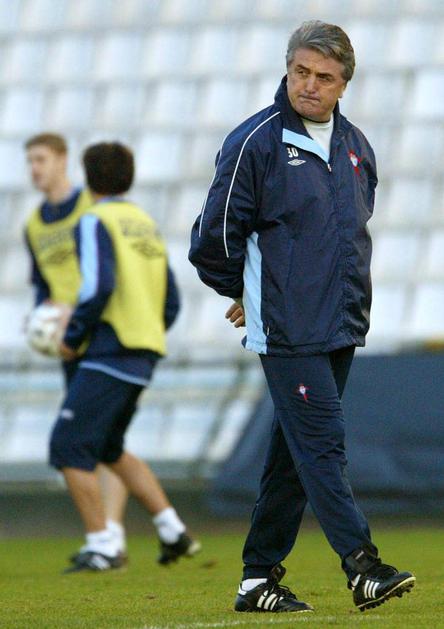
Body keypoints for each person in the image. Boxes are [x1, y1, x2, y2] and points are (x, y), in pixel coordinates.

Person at [189, 20, 415, 613]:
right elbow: (212, 238)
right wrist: (250, 290)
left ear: (344, 84)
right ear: (287, 69)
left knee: (292, 457)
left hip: (341, 321)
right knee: (322, 445)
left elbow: (348, 234)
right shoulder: (255, 142)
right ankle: (362, 567)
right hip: (290, 329)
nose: (310, 85)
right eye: (300, 72)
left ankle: (256, 580)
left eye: (324, 77)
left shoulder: (356, 147)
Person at [26, 137, 200, 571]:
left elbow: (97, 286)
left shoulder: (94, 219)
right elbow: (171, 299)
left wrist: (74, 335)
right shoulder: (143, 222)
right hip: (144, 350)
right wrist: (148, 334)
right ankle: (172, 530)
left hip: (107, 348)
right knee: (108, 445)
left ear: (87, 177)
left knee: (68, 446)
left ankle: (102, 544)